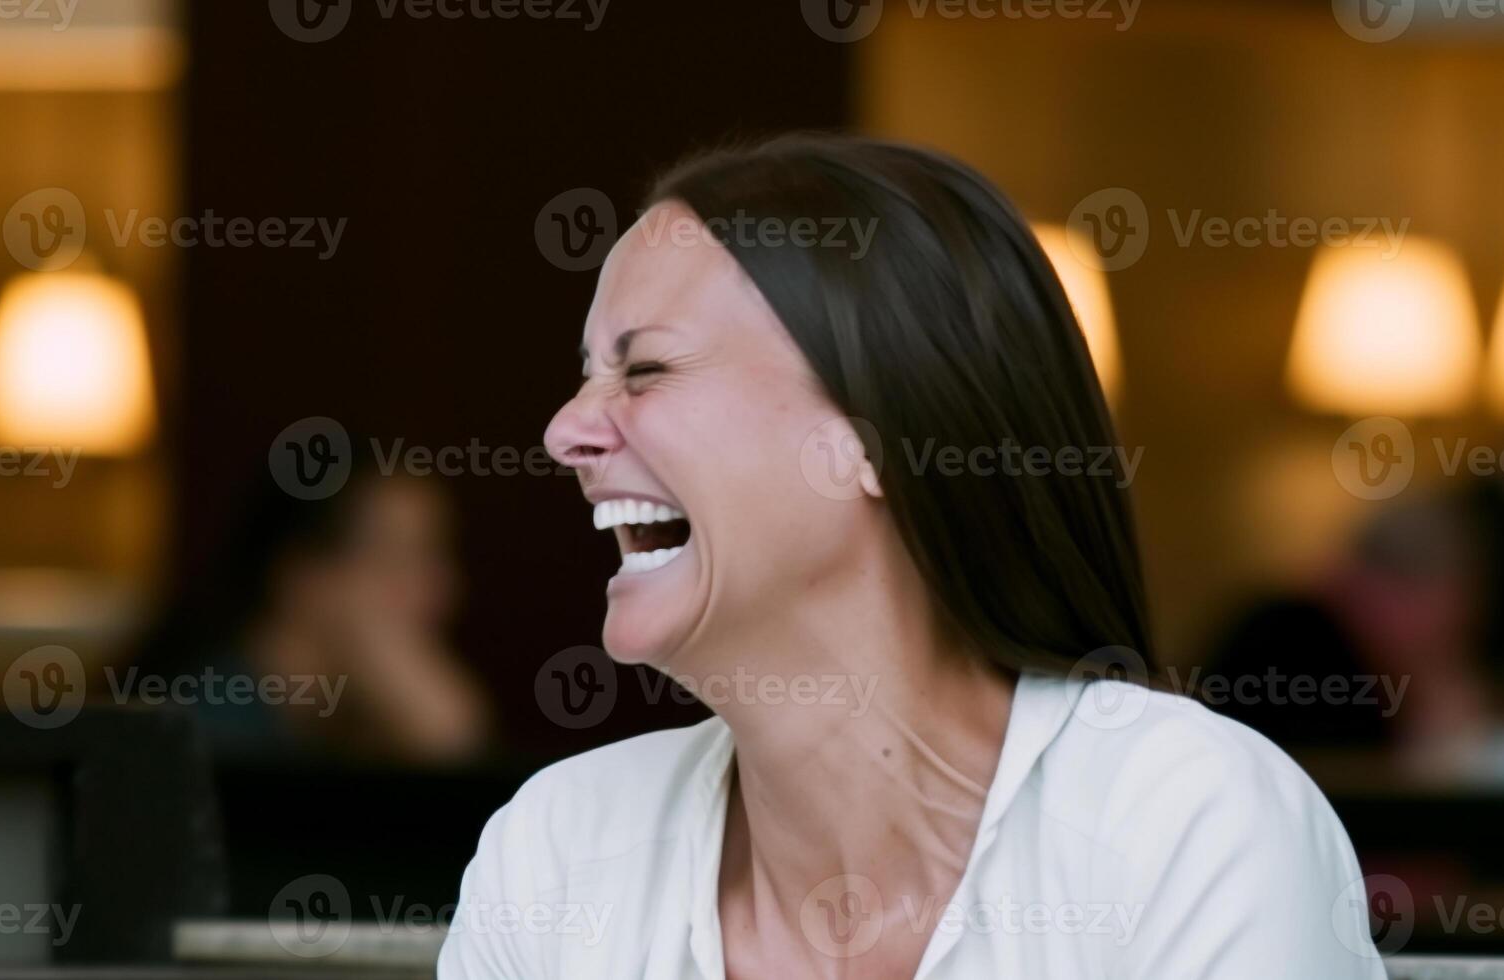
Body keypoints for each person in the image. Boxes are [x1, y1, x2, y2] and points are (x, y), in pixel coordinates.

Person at [439, 135, 1384, 978]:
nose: (566, 430)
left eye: (644, 370)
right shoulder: (559, 854)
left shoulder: (1185, 824)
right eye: (585, 376)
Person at [135, 471, 490, 764]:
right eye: (400, 559)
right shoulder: (205, 728)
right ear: (301, 575)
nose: (441, 589)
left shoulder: (351, 724)